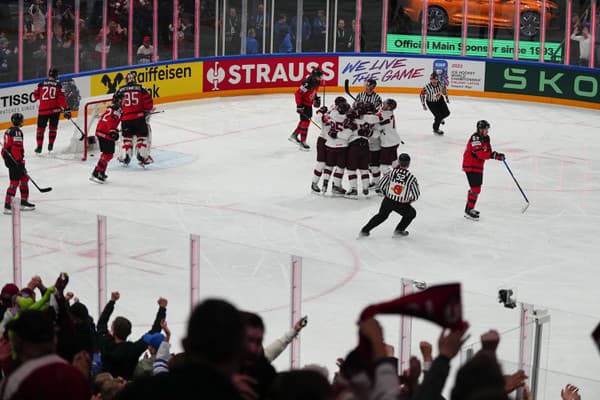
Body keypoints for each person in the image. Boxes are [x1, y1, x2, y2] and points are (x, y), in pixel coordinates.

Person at [359, 153, 420, 237]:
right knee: (412, 213)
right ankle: (399, 230)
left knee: (381, 216)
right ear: (408, 164)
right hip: (401, 204)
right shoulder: (411, 178)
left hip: (388, 200)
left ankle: (365, 231)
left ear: (398, 162)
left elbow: (380, 185)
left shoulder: (392, 173)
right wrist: (409, 200)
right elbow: (416, 195)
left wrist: (386, 194)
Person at [462, 120, 505, 220]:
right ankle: (468, 211)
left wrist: (496, 155)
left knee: (476, 189)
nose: (487, 131)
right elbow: (481, 154)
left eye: (487, 129)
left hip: (478, 166)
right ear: (480, 129)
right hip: (470, 165)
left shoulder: (486, 138)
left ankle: (469, 209)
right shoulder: (475, 138)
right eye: (485, 129)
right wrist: (493, 156)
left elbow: (488, 152)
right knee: (476, 189)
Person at [115, 72, 154, 166]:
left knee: (127, 138)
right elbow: (149, 104)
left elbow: (115, 104)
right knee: (142, 137)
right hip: (139, 118)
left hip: (125, 120)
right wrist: (146, 110)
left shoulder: (120, 90)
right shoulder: (141, 88)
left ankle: (125, 156)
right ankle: (142, 155)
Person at [311, 96, 347, 194]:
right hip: (324, 140)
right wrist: (320, 112)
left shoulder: (342, 113)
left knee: (333, 165)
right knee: (322, 164)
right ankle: (314, 183)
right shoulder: (330, 111)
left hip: (333, 143)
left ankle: (336, 185)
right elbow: (317, 119)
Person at [2, 113, 35, 214]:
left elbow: (5, 148)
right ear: (20, 122)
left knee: (24, 178)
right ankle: (7, 206)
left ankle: (24, 202)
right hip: (15, 160)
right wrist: (19, 162)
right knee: (14, 183)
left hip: (12, 159)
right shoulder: (17, 132)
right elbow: (16, 148)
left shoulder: (8, 130)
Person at [32, 67, 70, 153]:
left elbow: (35, 96)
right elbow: (61, 99)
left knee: (40, 129)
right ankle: (50, 146)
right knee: (53, 128)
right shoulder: (58, 85)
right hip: (55, 111)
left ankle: (39, 146)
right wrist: (66, 109)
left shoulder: (41, 84)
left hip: (43, 110)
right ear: (56, 75)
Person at [345, 102, 379, 198]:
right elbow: (376, 132)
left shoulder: (351, 119)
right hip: (365, 146)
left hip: (354, 146)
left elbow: (346, 132)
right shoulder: (369, 121)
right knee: (364, 169)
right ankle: (365, 188)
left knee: (351, 169)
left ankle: (354, 189)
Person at [90, 92, 124, 184]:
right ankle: (96, 172)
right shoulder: (118, 109)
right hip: (106, 132)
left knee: (107, 154)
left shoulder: (112, 107)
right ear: (119, 100)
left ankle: (101, 172)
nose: (124, 101)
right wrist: (113, 130)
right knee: (108, 154)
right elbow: (111, 119)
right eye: (123, 99)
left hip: (100, 130)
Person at [290, 67, 323, 151]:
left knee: (305, 121)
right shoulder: (307, 83)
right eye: (319, 76)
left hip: (308, 104)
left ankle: (294, 135)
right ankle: (302, 142)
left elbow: (314, 91)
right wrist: (299, 106)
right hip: (304, 104)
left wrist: (315, 98)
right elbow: (297, 94)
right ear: (314, 76)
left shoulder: (317, 81)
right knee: (305, 122)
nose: (320, 78)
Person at [376, 99, 402, 185]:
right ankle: (401, 177)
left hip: (388, 143)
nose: (383, 104)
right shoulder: (387, 113)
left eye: (385, 104)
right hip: (394, 141)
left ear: (389, 107)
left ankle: (389, 183)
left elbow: (374, 121)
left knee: (384, 166)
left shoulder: (384, 114)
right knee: (394, 162)